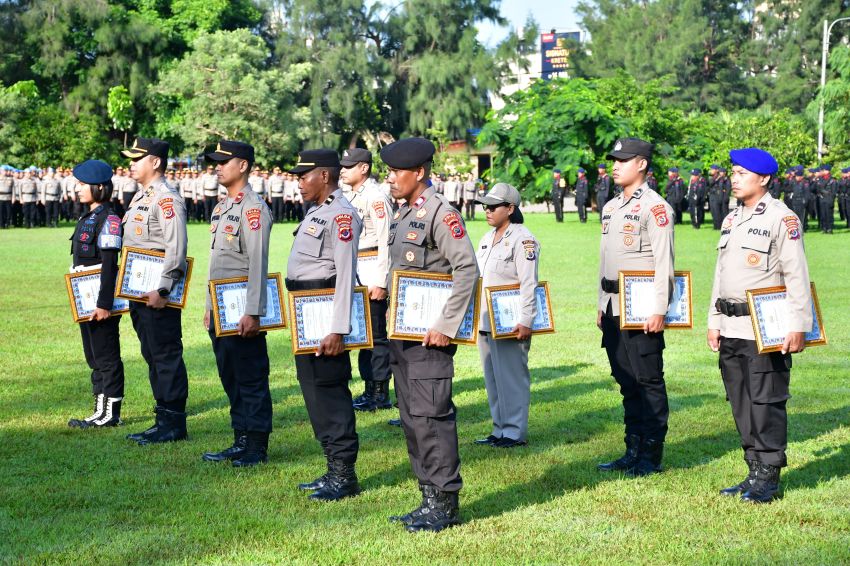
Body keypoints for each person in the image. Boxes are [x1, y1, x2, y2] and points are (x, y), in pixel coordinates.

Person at [382, 137, 479, 533]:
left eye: (395, 171)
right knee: (412, 418)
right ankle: (428, 497)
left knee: (432, 416)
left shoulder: (441, 213)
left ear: (418, 173)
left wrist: (446, 325)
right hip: (404, 335)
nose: (389, 178)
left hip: (430, 338)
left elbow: (467, 269)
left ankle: (445, 503)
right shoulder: (405, 212)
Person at [707, 147, 812, 504]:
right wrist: (713, 321)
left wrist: (798, 324)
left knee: (766, 401)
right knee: (741, 401)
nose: (733, 178)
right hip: (731, 328)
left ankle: (768, 476)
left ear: (763, 178)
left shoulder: (782, 219)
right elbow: (720, 275)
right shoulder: (731, 219)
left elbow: (797, 275)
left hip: (765, 329)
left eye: (741, 172)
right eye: (732, 172)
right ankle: (752, 470)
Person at [287, 149, 363, 501]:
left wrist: (338, 328)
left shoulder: (342, 215)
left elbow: (346, 274)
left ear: (325, 176)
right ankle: (332, 467)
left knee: (330, 391)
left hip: (325, 312)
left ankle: (344, 475)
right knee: (314, 391)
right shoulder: (317, 211)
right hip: (307, 311)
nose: (299, 183)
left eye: (304, 176)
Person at [597, 137, 675, 477]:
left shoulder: (655, 208)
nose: (615, 165)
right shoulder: (612, 207)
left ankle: (650, 454)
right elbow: (605, 260)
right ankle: (632, 448)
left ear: (641, 164)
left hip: (641, 307)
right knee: (625, 378)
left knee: (648, 380)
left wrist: (659, 308)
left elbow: (663, 263)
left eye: (623, 160)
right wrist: (601, 303)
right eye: (613, 160)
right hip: (614, 305)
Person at [199, 141, 274, 467]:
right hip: (221, 309)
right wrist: (208, 306)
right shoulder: (222, 207)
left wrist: (253, 311)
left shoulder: (253, 209)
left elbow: (257, 262)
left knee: (250, 377)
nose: (217, 166)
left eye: (223, 161)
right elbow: (217, 264)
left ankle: (256, 445)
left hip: (243, 311)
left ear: (242, 166)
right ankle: (240, 437)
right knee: (230, 375)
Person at [121, 137, 190, 445]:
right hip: (139, 292)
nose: (131, 164)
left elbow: (176, 247)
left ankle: (174, 423)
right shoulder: (142, 197)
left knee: (165, 355)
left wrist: (164, 288)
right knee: (152, 353)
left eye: (137, 159)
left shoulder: (166, 199)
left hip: (157, 294)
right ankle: (162, 418)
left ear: (156, 162)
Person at [474, 183, 539, 448]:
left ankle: (514, 432)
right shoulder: (487, 238)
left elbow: (528, 283)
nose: (487, 211)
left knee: (511, 376)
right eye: (485, 206)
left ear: (510, 209)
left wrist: (526, 319)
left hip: (511, 321)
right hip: (486, 318)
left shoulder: (524, 239)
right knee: (492, 376)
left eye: (493, 206)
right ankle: (499, 428)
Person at [66, 160, 126, 429]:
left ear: (100, 187)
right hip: (85, 300)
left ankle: (111, 414)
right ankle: (98, 409)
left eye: (83, 184)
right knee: (93, 357)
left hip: (100, 301)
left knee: (106, 357)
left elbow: (110, 265)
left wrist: (104, 305)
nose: (78, 188)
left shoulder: (110, 220)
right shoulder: (87, 217)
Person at [339, 148, 394, 412]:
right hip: (354, 267)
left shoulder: (376, 196)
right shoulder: (347, 194)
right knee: (361, 333)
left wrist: (381, 281)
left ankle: (380, 392)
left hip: (372, 268)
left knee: (377, 336)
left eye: (348, 166)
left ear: (364, 168)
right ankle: (369, 388)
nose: (342, 170)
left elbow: (386, 240)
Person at [817, 165, 837, 234]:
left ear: (828, 171)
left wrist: (832, 200)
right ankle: (824, 228)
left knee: (829, 214)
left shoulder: (832, 180)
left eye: (824, 170)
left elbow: (834, 192)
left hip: (829, 199)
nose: (823, 171)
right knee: (823, 214)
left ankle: (830, 228)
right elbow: (818, 189)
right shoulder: (820, 179)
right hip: (822, 199)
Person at [708, 165, 725, 230]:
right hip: (712, 195)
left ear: (717, 170)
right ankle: (715, 226)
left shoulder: (721, 178)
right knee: (713, 211)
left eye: (713, 169)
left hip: (717, 196)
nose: (711, 170)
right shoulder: (712, 177)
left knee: (717, 211)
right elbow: (710, 184)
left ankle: (719, 226)